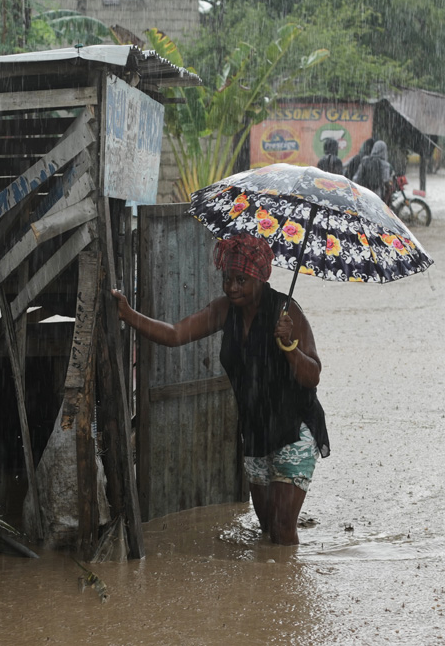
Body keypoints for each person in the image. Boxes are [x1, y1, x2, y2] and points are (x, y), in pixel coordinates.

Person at [111, 236, 329, 545]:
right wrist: (128, 315)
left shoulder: (287, 311)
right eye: (227, 279)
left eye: (241, 280)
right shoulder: (225, 310)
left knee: (282, 530)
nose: (232, 287)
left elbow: (313, 376)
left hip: (295, 428)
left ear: (261, 277)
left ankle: (287, 588)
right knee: (266, 528)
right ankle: (269, 589)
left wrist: (289, 346)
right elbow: (175, 334)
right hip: (256, 430)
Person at [353, 139, 394, 205]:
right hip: (377, 195)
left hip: (363, 192)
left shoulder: (365, 160)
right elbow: (386, 181)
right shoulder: (385, 164)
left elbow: (356, 178)